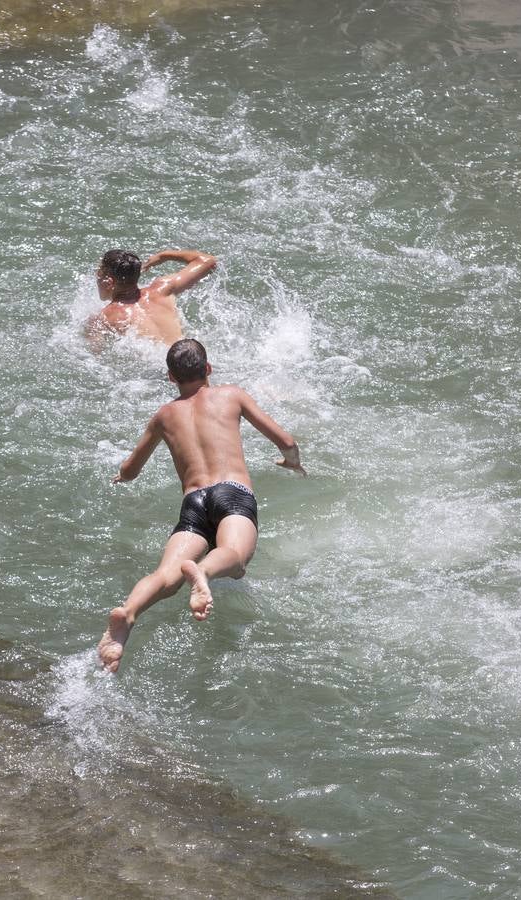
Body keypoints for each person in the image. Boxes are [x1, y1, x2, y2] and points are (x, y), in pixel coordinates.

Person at [97, 338, 305, 673]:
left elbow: (131, 470)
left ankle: (129, 613)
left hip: (193, 501)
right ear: (208, 368)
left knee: (166, 574)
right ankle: (203, 573)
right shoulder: (231, 394)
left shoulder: (164, 415)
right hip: (232, 492)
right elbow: (287, 441)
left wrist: (121, 476)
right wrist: (291, 462)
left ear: (170, 377)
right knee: (235, 557)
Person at [85, 248, 217, 346]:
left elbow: (94, 359)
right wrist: (165, 255)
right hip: (192, 359)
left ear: (109, 282)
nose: (96, 277)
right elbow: (208, 261)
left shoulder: (102, 319)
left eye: (99, 273)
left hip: (159, 377)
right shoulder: (163, 289)